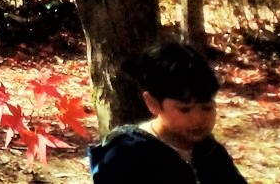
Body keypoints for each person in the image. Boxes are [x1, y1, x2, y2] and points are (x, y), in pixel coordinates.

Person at [87, 40, 248, 184]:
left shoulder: (210, 153)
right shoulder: (127, 155)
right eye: (185, 109)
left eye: (207, 107)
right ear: (153, 103)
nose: (199, 118)